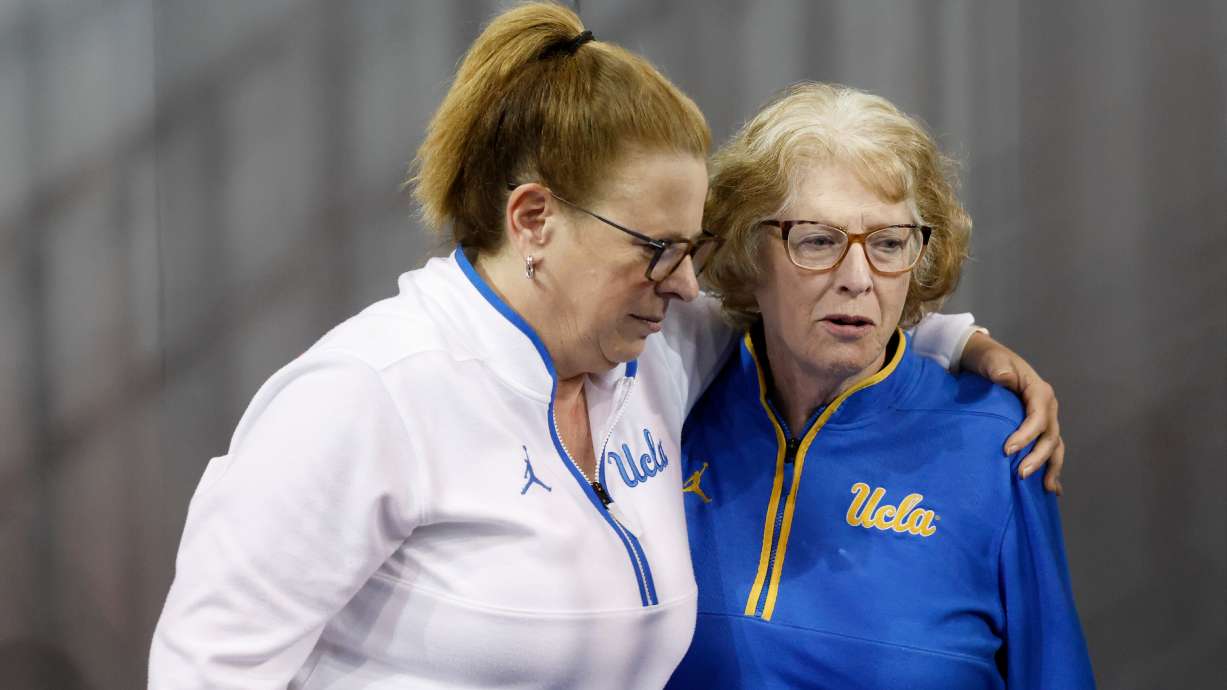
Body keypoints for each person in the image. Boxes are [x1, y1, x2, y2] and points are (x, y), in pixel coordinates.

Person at [148, 5, 1064, 688]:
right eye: (656, 250)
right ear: (534, 219)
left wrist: (959, 343)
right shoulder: (367, 395)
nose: (682, 283)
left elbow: (807, 314)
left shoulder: (653, 353)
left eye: (692, 252)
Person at [669, 83, 1094, 689]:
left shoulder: (1000, 441)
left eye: (890, 243)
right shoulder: (672, 403)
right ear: (745, 250)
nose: (857, 279)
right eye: (816, 240)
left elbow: (1055, 673)